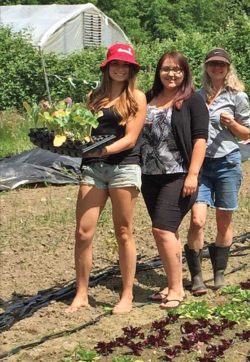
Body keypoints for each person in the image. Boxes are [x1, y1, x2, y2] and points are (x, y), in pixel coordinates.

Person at [66, 43, 146, 314]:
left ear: (132, 69)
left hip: (123, 167)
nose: (120, 69)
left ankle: (126, 295)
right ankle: (81, 293)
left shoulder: (137, 97)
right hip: (92, 168)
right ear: (107, 67)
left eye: (125, 65)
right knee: (82, 232)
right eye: (116, 64)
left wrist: (103, 150)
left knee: (123, 231)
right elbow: (82, 132)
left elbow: (131, 139)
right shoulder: (93, 97)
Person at [140, 51, 209, 308]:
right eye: (166, 69)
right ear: (159, 71)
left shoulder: (193, 101)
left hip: (178, 175)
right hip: (150, 176)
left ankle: (177, 290)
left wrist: (193, 174)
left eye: (177, 70)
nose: (171, 74)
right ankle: (172, 283)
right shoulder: (148, 98)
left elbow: (200, 140)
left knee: (162, 229)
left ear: (185, 73)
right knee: (168, 233)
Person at [187, 47, 250, 292]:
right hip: (201, 166)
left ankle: (219, 273)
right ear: (206, 67)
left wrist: (232, 123)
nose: (217, 68)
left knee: (224, 219)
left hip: (227, 162)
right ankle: (196, 277)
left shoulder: (237, 96)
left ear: (228, 68)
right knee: (197, 219)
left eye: (221, 65)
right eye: (213, 64)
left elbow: (246, 133)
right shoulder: (196, 96)